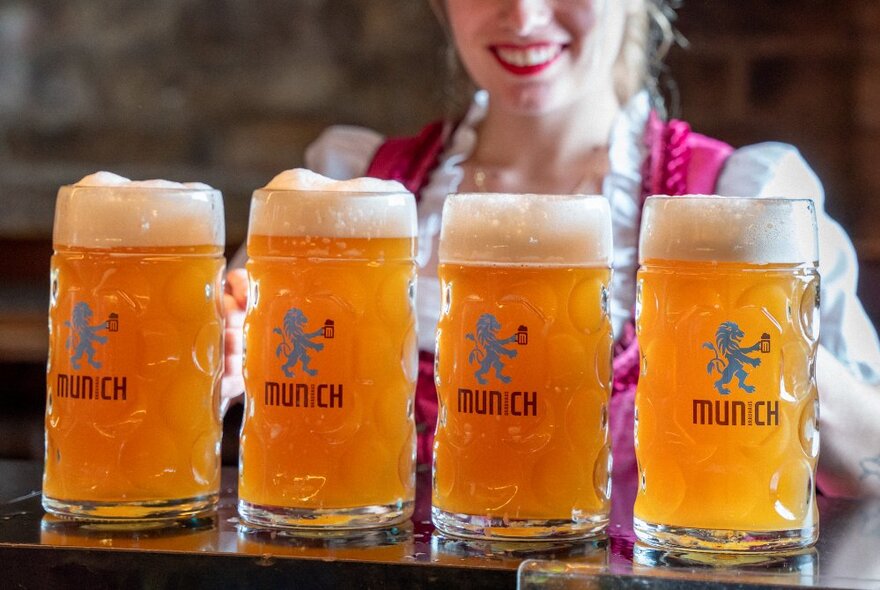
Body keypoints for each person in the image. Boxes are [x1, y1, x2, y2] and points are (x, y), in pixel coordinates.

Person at [224, 0, 880, 500]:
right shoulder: (355, 191)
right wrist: (226, 357)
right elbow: (236, 368)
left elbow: (873, 469)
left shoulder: (742, 201)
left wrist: (770, 334)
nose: (526, 16)